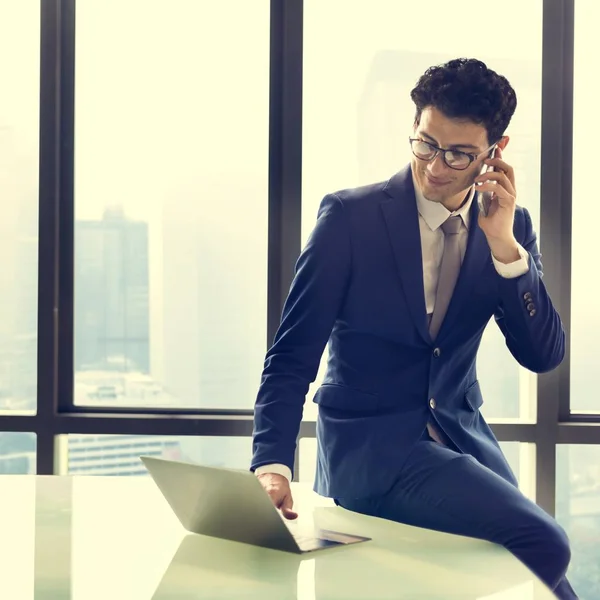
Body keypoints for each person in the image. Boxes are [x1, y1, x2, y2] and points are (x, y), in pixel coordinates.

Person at [250, 58, 577, 599]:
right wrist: (272, 464)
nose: (436, 166)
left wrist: (504, 248)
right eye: (425, 144)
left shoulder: (509, 225)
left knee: (554, 587)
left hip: (461, 442)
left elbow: (543, 355)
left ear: (496, 151)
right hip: (370, 450)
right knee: (544, 542)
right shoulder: (349, 219)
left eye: (459, 154)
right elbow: (291, 356)